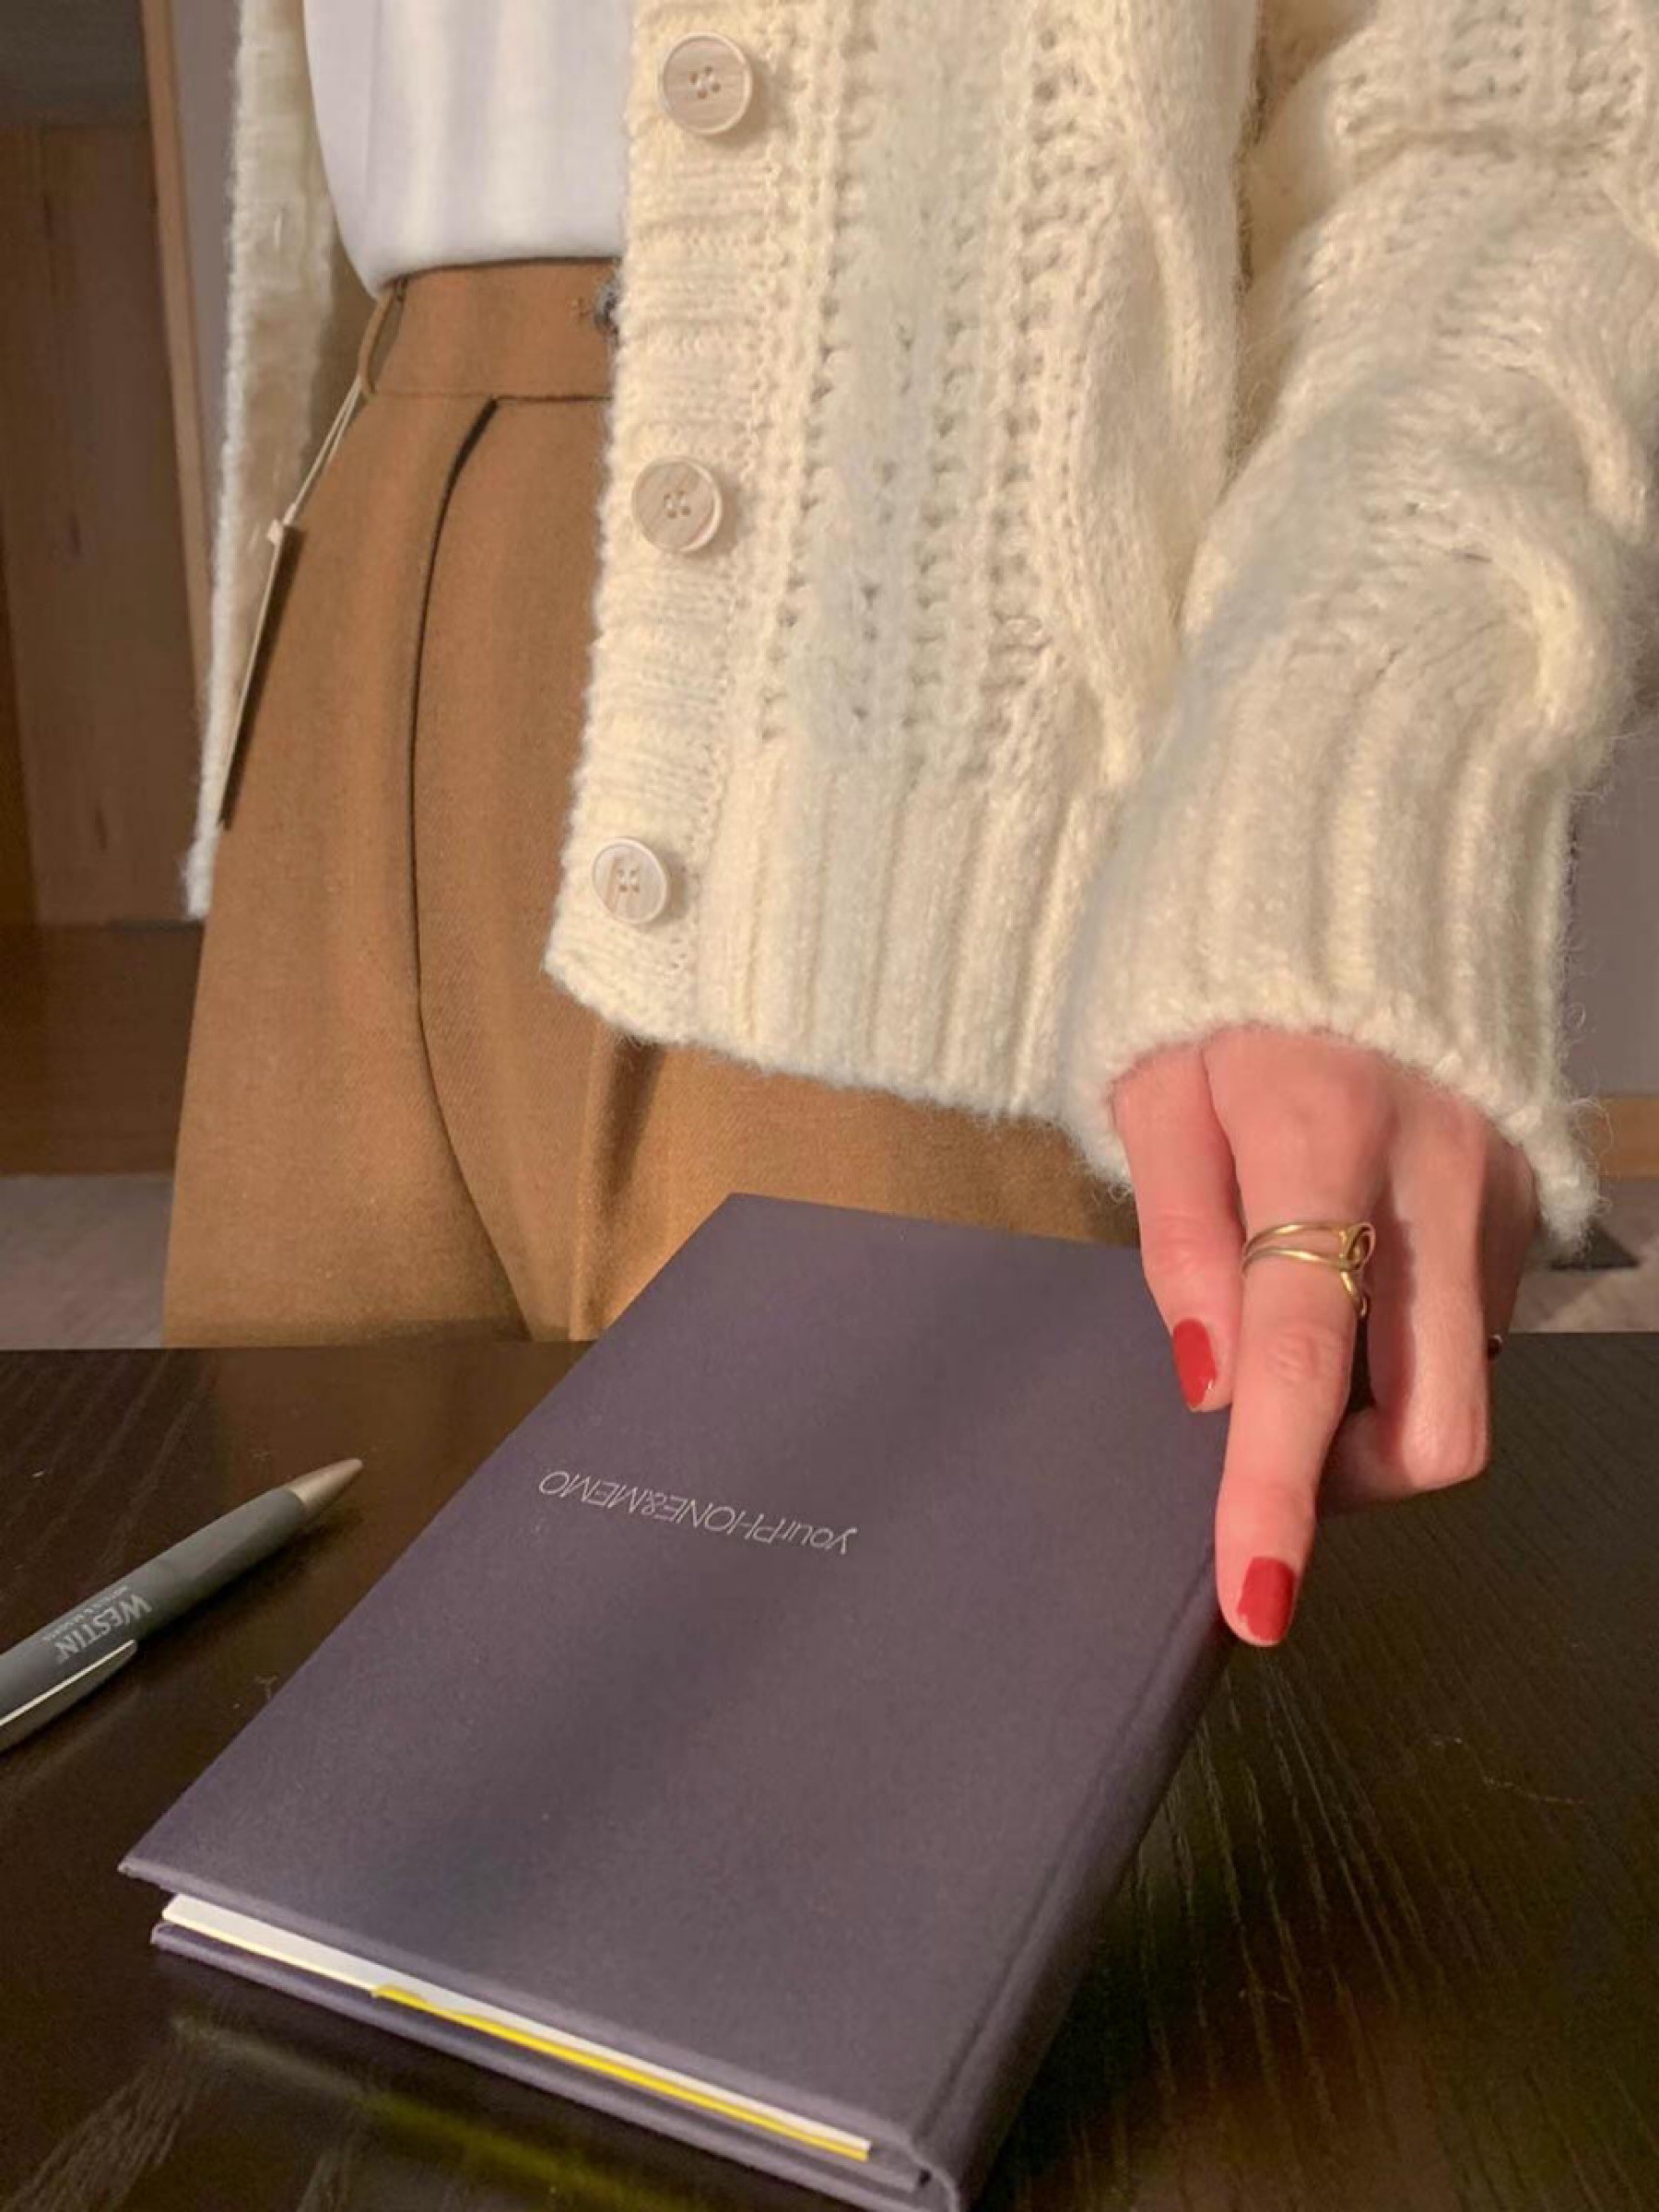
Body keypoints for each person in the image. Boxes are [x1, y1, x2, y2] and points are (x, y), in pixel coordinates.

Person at [163, 0, 1659, 1649]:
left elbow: (1508, 114)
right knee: (278, 1689)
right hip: (362, 612)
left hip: (932, 706)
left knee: (923, 1720)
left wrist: (1355, 770)